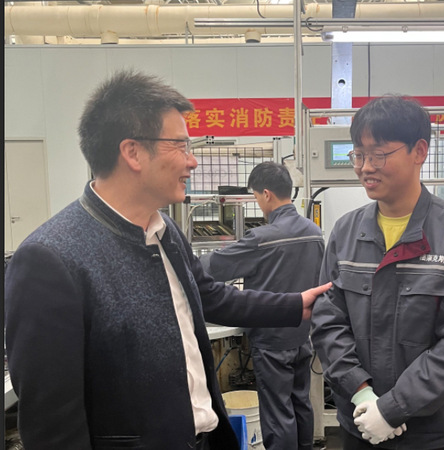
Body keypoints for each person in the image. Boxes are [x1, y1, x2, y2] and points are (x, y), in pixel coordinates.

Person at [4, 69, 331, 450]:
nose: (192, 162)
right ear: (133, 152)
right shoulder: (50, 259)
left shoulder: (165, 231)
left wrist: (293, 305)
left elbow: (210, 296)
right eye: (180, 146)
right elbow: (53, 428)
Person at [310, 96, 444, 450]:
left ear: (419, 151)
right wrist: (361, 393)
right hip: (361, 424)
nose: (365, 167)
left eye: (378, 155)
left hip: (435, 434)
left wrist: (393, 408)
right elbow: (328, 321)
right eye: (359, 155)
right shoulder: (346, 233)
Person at [201, 161, 324, 450]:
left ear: (266, 194)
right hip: (303, 337)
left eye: (256, 196)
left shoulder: (262, 239)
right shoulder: (314, 232)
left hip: (271, 341)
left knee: (277, 412)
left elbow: (213, 267)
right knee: (300, 403)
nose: (258, 202)